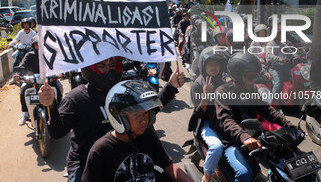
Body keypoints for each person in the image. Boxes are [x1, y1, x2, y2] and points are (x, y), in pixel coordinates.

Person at [38, 58, 184, 182]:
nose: (108, 70)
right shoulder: (75, 99)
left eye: (112, 65)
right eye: (102, 66)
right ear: (89, 67)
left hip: (122, 155)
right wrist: (50, 106)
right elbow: (57, 132)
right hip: (85, 161)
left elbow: (148, 109)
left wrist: (171, 86)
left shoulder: (123, 91)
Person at [81, 80, 193, 182]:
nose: (143, 120)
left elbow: (169, 167)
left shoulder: (149, 136)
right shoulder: (101, 149)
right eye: (136, 114)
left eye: (145, 113)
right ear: (119, 117)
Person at [214, 53, 293, 182]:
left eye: (256, 76)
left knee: (283, 162)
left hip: (254, 138)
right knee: (244, 174)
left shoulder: (252, 89)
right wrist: (244, 137)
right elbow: (225, 120)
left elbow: (266, 110)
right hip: (232, 141)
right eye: (251, 77)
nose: (254, 80)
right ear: (238, 76)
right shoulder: (223, 92)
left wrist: (288, 124)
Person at [188, 48, 225, 182]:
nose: (214, 67)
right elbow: (199, 113)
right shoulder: (198, 84)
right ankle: (207, 177)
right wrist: (206, 95)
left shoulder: (223, 82)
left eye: (217, 64)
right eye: (210, 64)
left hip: (223, 121)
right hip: (206, 123)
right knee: (216, 147)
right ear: (203, 64)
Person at [14, 35, 62, 125]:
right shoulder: (29, 55)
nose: (39, 46)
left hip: (49, 80)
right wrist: (17, 74)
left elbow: (58, 64)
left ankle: (58, 109)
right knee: (23, 90)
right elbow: (22, 66)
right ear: (33, 45)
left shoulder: (50, 54)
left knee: (58, 88)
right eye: (36, 44)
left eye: (41, 44)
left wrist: (60, 73)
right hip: (32, 80)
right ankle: (25, 113)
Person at [265, 28, 291, 98]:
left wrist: (298, 56)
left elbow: (291, 52)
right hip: (274, 67)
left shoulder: (283, 44)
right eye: (280, 34)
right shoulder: (270, 44)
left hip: (284, 66)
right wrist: (278, 59)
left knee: (294, 78)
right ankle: (274, 103)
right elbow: (269, 55)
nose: (282, 36)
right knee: (277, 83)